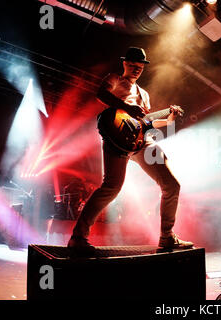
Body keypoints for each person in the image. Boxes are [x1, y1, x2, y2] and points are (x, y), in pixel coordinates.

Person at [67, 47, 193, 255]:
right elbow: (101, 94)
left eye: (140, 67)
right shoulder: (114, 79)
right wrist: (125, 107)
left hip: (141, 142)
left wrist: (170, 118)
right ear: (125, 63)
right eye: (132, 65)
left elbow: (145, 124)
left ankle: (167, 236)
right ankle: (78, 238)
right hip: (116, 140)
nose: (136, 69)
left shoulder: (144, 94)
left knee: (171, 184)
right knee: (112, 187)